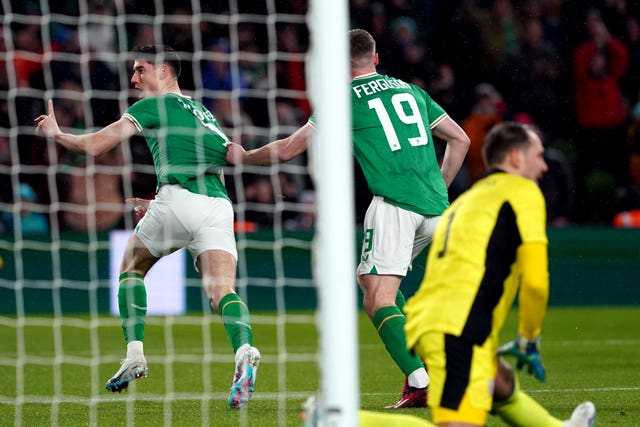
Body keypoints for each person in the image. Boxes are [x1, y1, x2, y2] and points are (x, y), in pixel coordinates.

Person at [226, 28, 470, 408]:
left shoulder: (342, 98)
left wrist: (244, 156)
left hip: (394, 205)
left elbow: (290, 150)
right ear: (375, 58)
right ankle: (420, 367)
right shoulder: (411, 91)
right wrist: (439, 186)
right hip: (436, 208)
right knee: (374, 282)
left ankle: (422, 381)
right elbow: (461, 140)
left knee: (376, 296)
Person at [34, 45, 260, 409]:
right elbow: (212, 164)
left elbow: (96, 146)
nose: (134, 78)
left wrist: (58, 134)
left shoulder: (153, 105)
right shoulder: (203, 112)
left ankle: (135, 353)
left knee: (131, 267)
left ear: (166, 71)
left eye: (141, 70)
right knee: (223, 292)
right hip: (218, 206)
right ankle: (245, 349)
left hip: (178, 199)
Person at [395, 121, 594, 426]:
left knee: (500, 383)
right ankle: (339, 420)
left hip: (432, 318)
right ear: (516, 158)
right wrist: (528, 339)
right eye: (538, 155)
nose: (544, 167)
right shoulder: (522, 192)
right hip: (457, 329)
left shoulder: (468, 199)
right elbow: (536, 282)